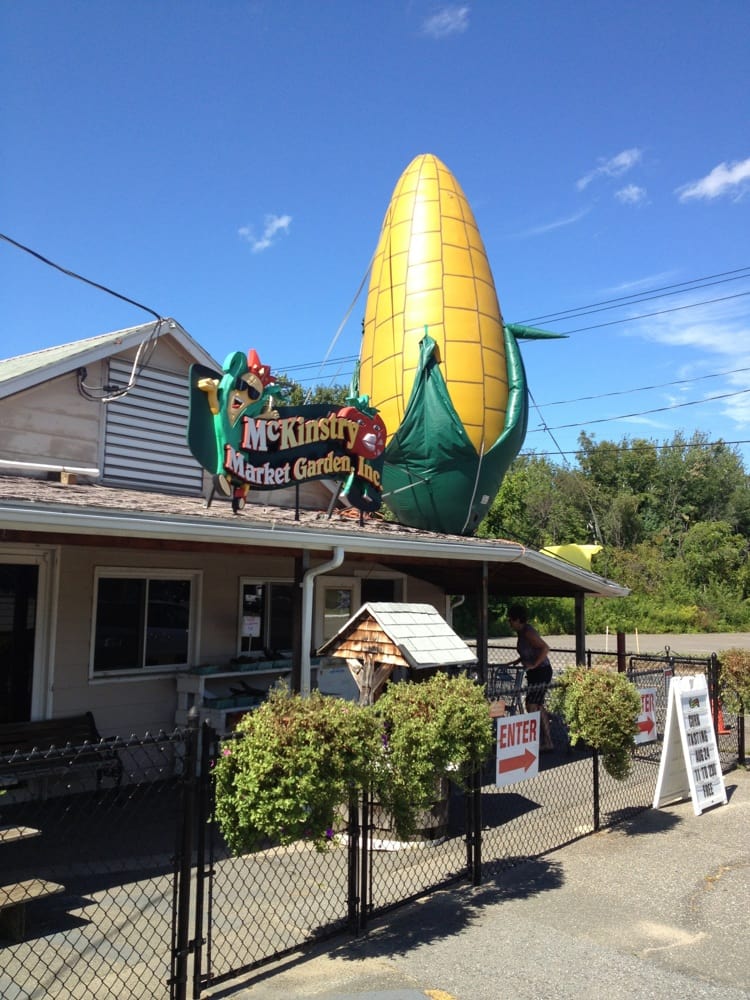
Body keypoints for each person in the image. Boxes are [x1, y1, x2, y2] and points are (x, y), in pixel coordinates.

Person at [507, 603, 554, 751]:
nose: (509, 622)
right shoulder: (521, 633)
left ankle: (543, 740)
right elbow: (528, 651)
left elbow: (544, 648)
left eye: (510, 619)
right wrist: (517, 661)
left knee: (533, 705)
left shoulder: (527, 632)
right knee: (534, 705)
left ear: (517, 619)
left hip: (541, 671)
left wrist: (534, 664)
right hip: (533, 672)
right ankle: (545, 739)